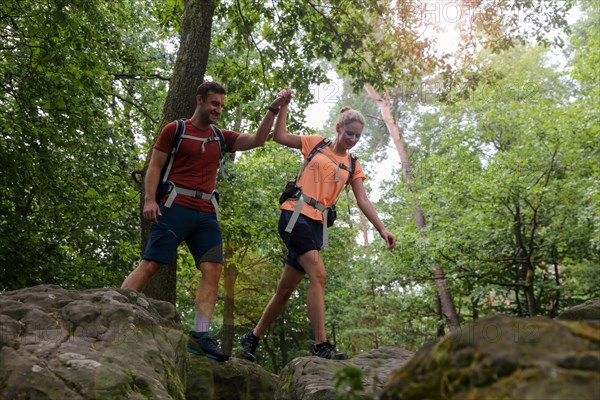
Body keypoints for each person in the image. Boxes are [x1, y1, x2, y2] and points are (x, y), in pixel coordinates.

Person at [122, 81, 291, 362]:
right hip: (174, 208)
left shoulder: (220, 136)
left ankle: (199, 337)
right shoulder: (175, 130)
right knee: (151, 263)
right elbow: (154, 165)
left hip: (206, 215)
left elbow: (258, 140)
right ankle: (113, 308)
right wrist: (150, 200)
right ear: (199, 100)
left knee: (212, 269)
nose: (218, 110)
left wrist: (274, 108)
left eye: (222, 105)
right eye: (214, 104)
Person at [240, 94, 396, 362]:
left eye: (358, 136)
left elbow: (363, 200)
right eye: (349, 133)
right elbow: (279, 136)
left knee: (285, 290)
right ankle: (320, 344)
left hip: (316, 226)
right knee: (319, 275)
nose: (353, 140)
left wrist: (382, 229)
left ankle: (252, 337)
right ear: (338, 128)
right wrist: (284, 105)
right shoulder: (316, 144)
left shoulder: (353, 165)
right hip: (294, 214)